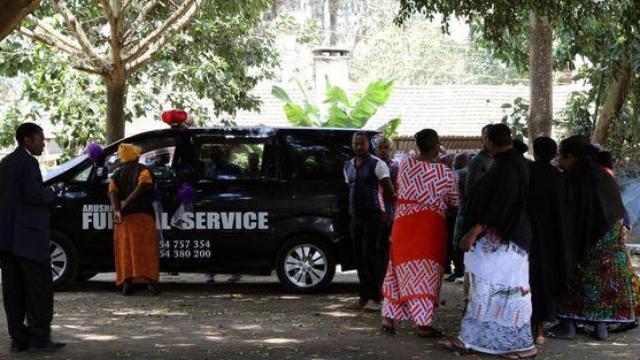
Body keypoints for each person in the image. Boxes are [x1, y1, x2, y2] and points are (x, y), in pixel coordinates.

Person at [442, 124, 537, 358]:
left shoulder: (506, 166)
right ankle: (473, 339)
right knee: (485, 290)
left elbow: (499, 204)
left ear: (489, 142)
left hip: (504, 239)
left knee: (501, 290)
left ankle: (522, 346)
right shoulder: (512, 162)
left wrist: (475, 230)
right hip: (507, 237)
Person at [550, 136, 637, 341]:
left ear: (571, 157)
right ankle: (600, 327)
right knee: (603, 283)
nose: (559, 162)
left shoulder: (572, 178)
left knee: (574, 278)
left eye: (560, 157)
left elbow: (567, 214)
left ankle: (568, 324)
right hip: (611, 240)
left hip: (585, 240)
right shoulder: (605, 176)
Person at [380, 129, 459, 337]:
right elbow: (455, 201)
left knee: (397, 269)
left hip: (403, 224)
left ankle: (388, 319)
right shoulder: (446, 174)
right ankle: (422, 323)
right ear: (436, 146)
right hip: (428, 228)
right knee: (426, 272)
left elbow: (414, 165)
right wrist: (444, 167)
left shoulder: (405, 165)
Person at [0, 122, 66, 353]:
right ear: (28, 139)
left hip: (7, 240)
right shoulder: (28, 162)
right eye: (40, 138)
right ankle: (39, 338)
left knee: (13, 292)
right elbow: (33, 195)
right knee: (38, 290)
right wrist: (53, 192)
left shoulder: (6, 163)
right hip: (29, 238)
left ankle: (19, 339)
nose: (42, 143)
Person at [526, 137, 572, 345]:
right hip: (552, 235)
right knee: (545, 278)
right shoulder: (559, 176)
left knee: (528, 278)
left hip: (528, 234)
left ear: (534, 152)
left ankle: (530, 323)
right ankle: (540, 327)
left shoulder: (527, 172)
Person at [344, 131, 395, 311]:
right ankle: (364, 296)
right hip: (357, 216)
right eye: (355, 143)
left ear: (368, 144)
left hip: (376, 216)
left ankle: (376, 297)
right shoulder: (348, 165)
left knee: (372, 256)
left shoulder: (378, 164)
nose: (358, 147)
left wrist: (386, 216)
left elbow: (389, 192)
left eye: (362, 144)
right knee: (359, 258)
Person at [109, 144, 161, 296]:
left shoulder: (116, 173)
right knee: (147, 251)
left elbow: (112, 192)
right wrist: (127, 202)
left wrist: (118, 210)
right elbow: (142, 185)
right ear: (136, 156)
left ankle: (127, 284)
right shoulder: (143, 170)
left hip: (124, 219)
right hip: (143, 216)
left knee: (126, 251)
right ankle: (152, 283)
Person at [447, 152, 470, 283]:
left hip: (461, 212)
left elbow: (453, 196)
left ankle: (459, 271)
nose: (454, 163)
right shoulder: (473, 172)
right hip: (472, 213)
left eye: (457, 160)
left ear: (462, 161)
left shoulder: (458, 174)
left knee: (457, 243)